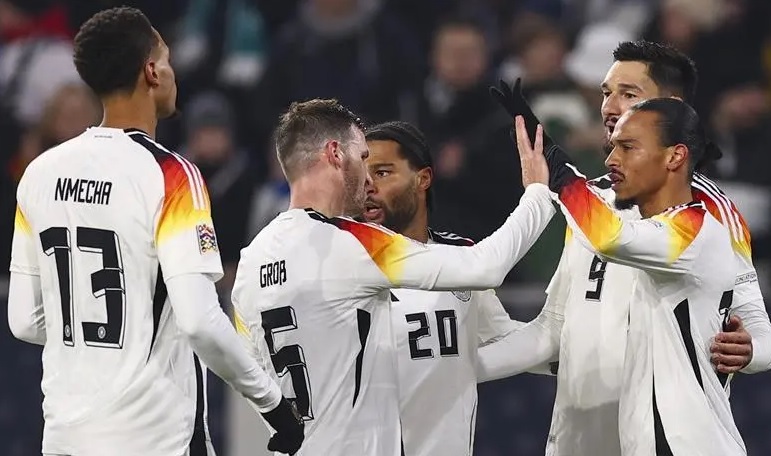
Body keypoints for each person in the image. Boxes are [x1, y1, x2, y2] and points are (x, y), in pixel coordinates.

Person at [7, 7, 302, 456]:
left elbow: (25, 320)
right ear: (151, 72)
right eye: (166, 59)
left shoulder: (40, 174)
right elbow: (200, 321)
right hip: (153, 436)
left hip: (66, 435)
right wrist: (273, 403)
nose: (172, 71)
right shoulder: (171, 175)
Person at [480, 40, 769, 455]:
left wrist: (752, 349)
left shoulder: (709, 215)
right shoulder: (588, 203)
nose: (610, 107)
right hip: (581, 439)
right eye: (606, 93)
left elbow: (756, 324)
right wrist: (461, 366)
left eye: (628, 94)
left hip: (668, 437)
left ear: (669, 109)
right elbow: (554, 330)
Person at [230, 98, 557, 456]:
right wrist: (538, 194)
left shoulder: (251, 261)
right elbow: (486, 267)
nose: (367, 178)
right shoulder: (352, 243)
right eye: (363, 157)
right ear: (336, 154)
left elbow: (249, 373)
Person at [521, 98, 747, 454]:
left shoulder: (695, 229)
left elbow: (608, 237)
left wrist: (557, 168)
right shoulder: (654, 242)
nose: (611, 160)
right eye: (613, 147)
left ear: (675, 156)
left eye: (628, 147)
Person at [361, 121, 560, 456]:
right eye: (362, 176)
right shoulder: (349, 263)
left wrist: (569, 353)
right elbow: (488, 266)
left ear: (422, 178)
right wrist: (539, 194)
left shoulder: (458, 257)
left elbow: (500, 338)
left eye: (382, 173)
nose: (367, 186)